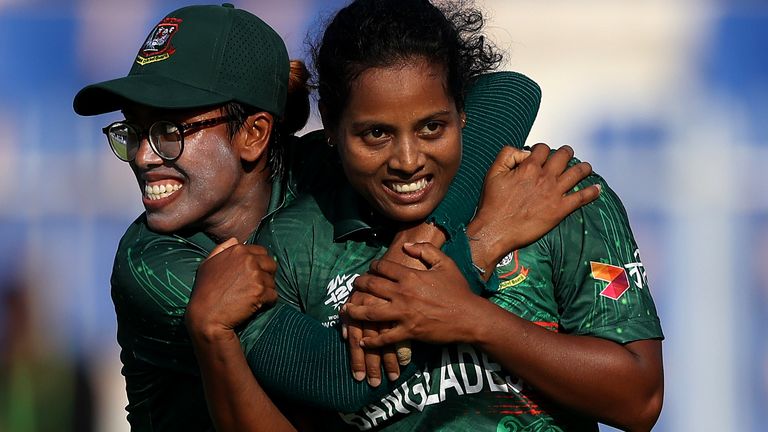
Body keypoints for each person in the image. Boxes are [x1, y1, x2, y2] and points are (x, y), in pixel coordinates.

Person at [73, 3, 596, 431]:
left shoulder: (320, 168)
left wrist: (428, 237)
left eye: (169, 132)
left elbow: (509, 92)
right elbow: (337, 378)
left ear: (255, 134)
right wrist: (480, 241)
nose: (143, 156)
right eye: (134, 132)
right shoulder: (155, 262)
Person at [188, 0, 664, 431]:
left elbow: (638, 400)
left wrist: (472, 319)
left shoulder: (550, 195)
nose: (409, 159)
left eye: (432, 127)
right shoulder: (293, 248)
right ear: (330, 126)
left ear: (463, 110)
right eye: (376, 134)